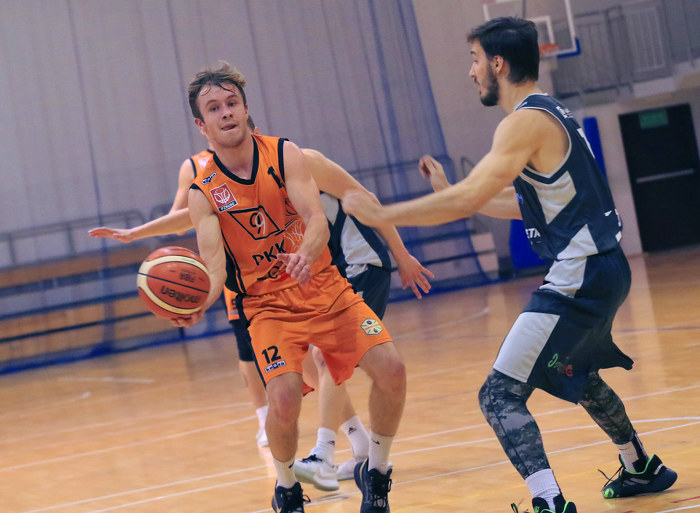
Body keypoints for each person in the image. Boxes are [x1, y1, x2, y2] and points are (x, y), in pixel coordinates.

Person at [341, 17, 677, 513]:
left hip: (580, 274)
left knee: (498, 395)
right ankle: (640, 465)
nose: (471, 72)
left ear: (498, 64)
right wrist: (451, 192)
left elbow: (470, 196)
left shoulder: (522, 122)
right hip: (605, 270)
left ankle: (549, 502)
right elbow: (527, 207)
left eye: (475, 60)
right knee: (578, 371)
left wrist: (383, 215)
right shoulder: (553, 112)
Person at [89, 120, 433, 490]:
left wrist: (403, 256)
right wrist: (136, 233)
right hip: (308, 275)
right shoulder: (228, 185)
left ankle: (325, 452)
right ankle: (358, 443)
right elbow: (190, 215)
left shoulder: (299, 161)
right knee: (308, 364)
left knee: (327, 358)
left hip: (357, 261)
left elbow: (367, 198)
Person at [179, 61, 406, 513]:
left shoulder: (285, 154)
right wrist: (201, 301)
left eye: (232, 103)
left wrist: (305, 252)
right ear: (201, 126)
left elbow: (316, 218)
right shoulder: (202, 192)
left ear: (246, 108)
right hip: (267, 306)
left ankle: (377, 473)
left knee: (392, 370)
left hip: (323, 285)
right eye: (214, 108)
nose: (226, 112)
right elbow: (214, 265)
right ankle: (286, 489)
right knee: (282, 397)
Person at [89, 124, 270, 448]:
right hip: (234, 270)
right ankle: (265, 418)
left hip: (281, 263)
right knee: (248, 350)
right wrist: (137, 232)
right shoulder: (196, 167)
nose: (226, 119)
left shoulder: (273, 160)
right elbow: (182, 218)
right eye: (214, 111)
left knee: (313, 356)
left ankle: (341, 435)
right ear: (204, 128)